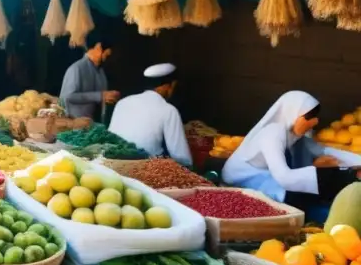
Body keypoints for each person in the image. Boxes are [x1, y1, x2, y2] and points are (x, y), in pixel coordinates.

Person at [223, 91, 361, 203]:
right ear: (292, 113)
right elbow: (284, 177)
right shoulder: (272, 134)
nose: (314, 122)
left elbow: (323, 150)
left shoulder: (295, 135)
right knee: (316, 189)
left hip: (270, 177)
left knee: (332, 180)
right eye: (308, 118)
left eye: (315, 117)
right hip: (243, 180)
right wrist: (321, 175)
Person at [108, 64, 192, 165]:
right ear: (167, 86)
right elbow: (181, 157)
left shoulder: (123, 102)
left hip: (112, 162)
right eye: (173, 86)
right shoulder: (168, 110)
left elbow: (110, 138)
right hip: (144, 167)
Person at [59, 34, 120, 120]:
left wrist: (108, 97)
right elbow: (68, 96)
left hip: (94, 125)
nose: (107, 58)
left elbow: (101, 98)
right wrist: (100, 96)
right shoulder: (76, 68)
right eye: (106, 54)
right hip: (75, 125)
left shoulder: (100, 71)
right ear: (98, 47)